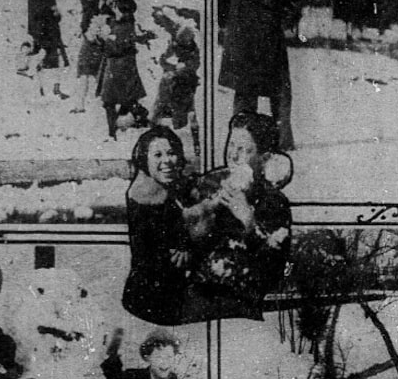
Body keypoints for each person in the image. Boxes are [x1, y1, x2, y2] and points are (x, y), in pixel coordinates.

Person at [180, 111, 293, 322]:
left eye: (243, 149)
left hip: (241, 308)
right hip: (196, 301)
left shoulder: (273, 202)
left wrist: (249, 221)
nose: (232, 155)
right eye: (231, 145)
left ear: (264, 157)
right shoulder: (209, 184)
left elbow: (275, 268)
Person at [218, 0, 302, 151]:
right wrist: (278, 4)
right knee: (248, 92)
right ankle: (240, 141)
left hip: (268, 33)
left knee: (281, 89)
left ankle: (283, 141)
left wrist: (288, 11)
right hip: (249, 36)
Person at [122, 126, 192, 326]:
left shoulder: (165, 185)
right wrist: (185, 244)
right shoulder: (146, 193)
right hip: (151, 297)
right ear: (145, 159)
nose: (166, 161)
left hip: (162, 292)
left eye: (171, 153)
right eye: (158, 155)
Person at [97, 0, 151, 140]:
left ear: (124, 11)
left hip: (119, 68)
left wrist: (105, 37)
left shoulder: (125, 27)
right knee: (122, 100)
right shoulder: (122, 23)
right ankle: (119, 127)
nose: (115, 11)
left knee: (111, 101)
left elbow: (117, 48)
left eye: (117, 9)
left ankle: (114, 131)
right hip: (119, 67)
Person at [151, 24, 201, 159]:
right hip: (170, 85)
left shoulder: (194, 51)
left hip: (185, 86)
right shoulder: (174, 46)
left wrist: (183, 69)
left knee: (190, 115)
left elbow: (194, 66)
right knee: (160, 109)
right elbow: (163, 60)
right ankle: (154, 136)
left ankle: (196, 145)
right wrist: (173, 68)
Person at [27, 0, 70, 99]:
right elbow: (35, 17)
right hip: (41, 33)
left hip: (53, 32)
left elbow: (55, 15)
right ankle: (40, 89)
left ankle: (55, 89)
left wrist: (57, 14)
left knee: (56, 61)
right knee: (42, 61)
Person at [71, 0, 104, 113]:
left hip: (98, 42)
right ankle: (80, 104)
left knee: (99, 73)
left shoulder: (99, 4)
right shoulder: (86, 4)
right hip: (87, 42)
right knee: (83, 72)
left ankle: (103, 102)